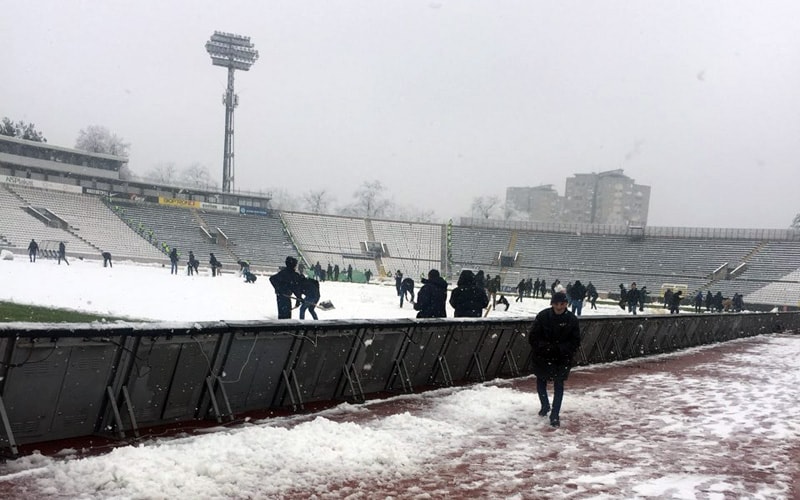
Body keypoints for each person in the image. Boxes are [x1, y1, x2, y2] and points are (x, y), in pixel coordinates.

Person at [528, 291, 581, 428]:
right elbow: (533, 337)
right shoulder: (543, 316)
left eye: (562, 304)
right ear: (552, 304)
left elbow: (575, 341)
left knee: (559, 384)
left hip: (561, 357)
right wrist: (544, 347)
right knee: (541, 380)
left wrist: (561, 349)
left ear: (566, 304)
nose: (559, 307)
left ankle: (555, 414)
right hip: (542, 356)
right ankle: (545, 405)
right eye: (556, 304)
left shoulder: (572, 320)